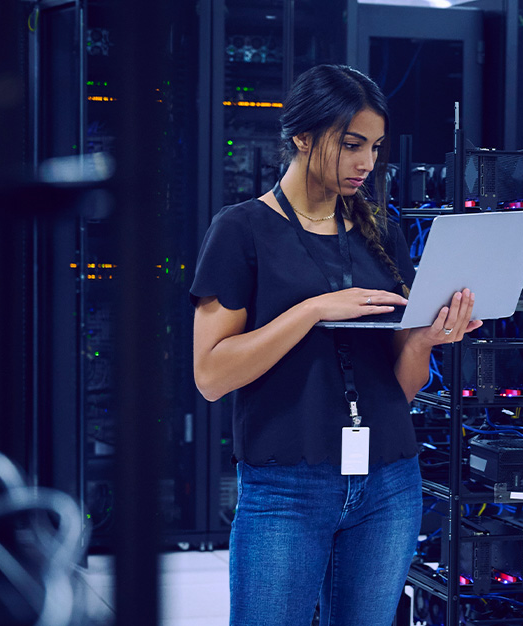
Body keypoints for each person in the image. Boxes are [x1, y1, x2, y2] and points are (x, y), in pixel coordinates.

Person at [190, 64, 481, 626]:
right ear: (303, 136)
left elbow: (401, 387)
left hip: (390, 483)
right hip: (286, 488)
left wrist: (424, 339)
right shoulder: (241, 229)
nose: (367, 163)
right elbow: (210, 375)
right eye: (352, 145)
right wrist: (313, 310)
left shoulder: (382, 232)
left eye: (374, 147)